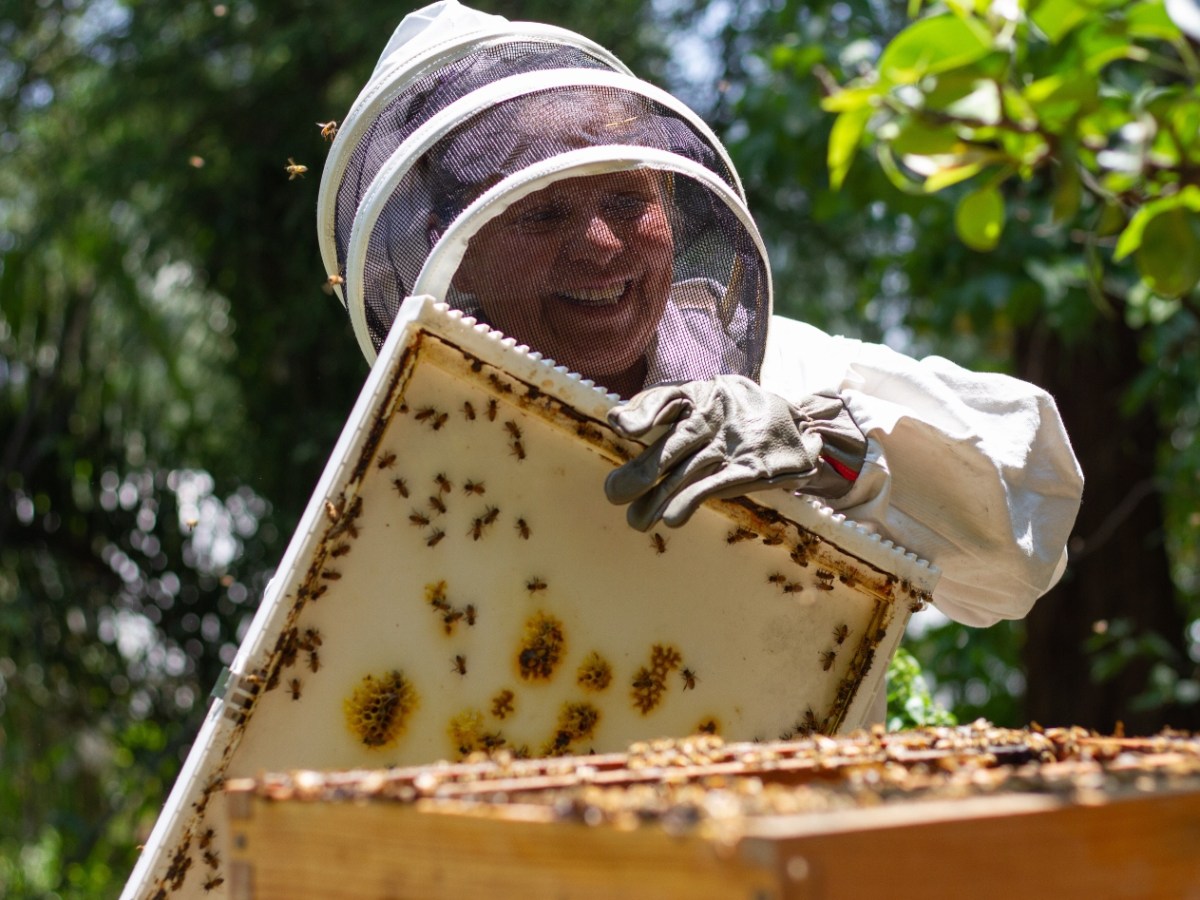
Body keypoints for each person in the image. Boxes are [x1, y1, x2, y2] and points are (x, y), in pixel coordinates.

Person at [317, 0, 1084, 628]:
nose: (600, 243)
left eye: (627, 199)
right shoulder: (422, 468)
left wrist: (833, 454)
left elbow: (1024, 555)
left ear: (673, 204)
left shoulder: (790, 371)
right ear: (454, 246)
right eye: (542, 215)